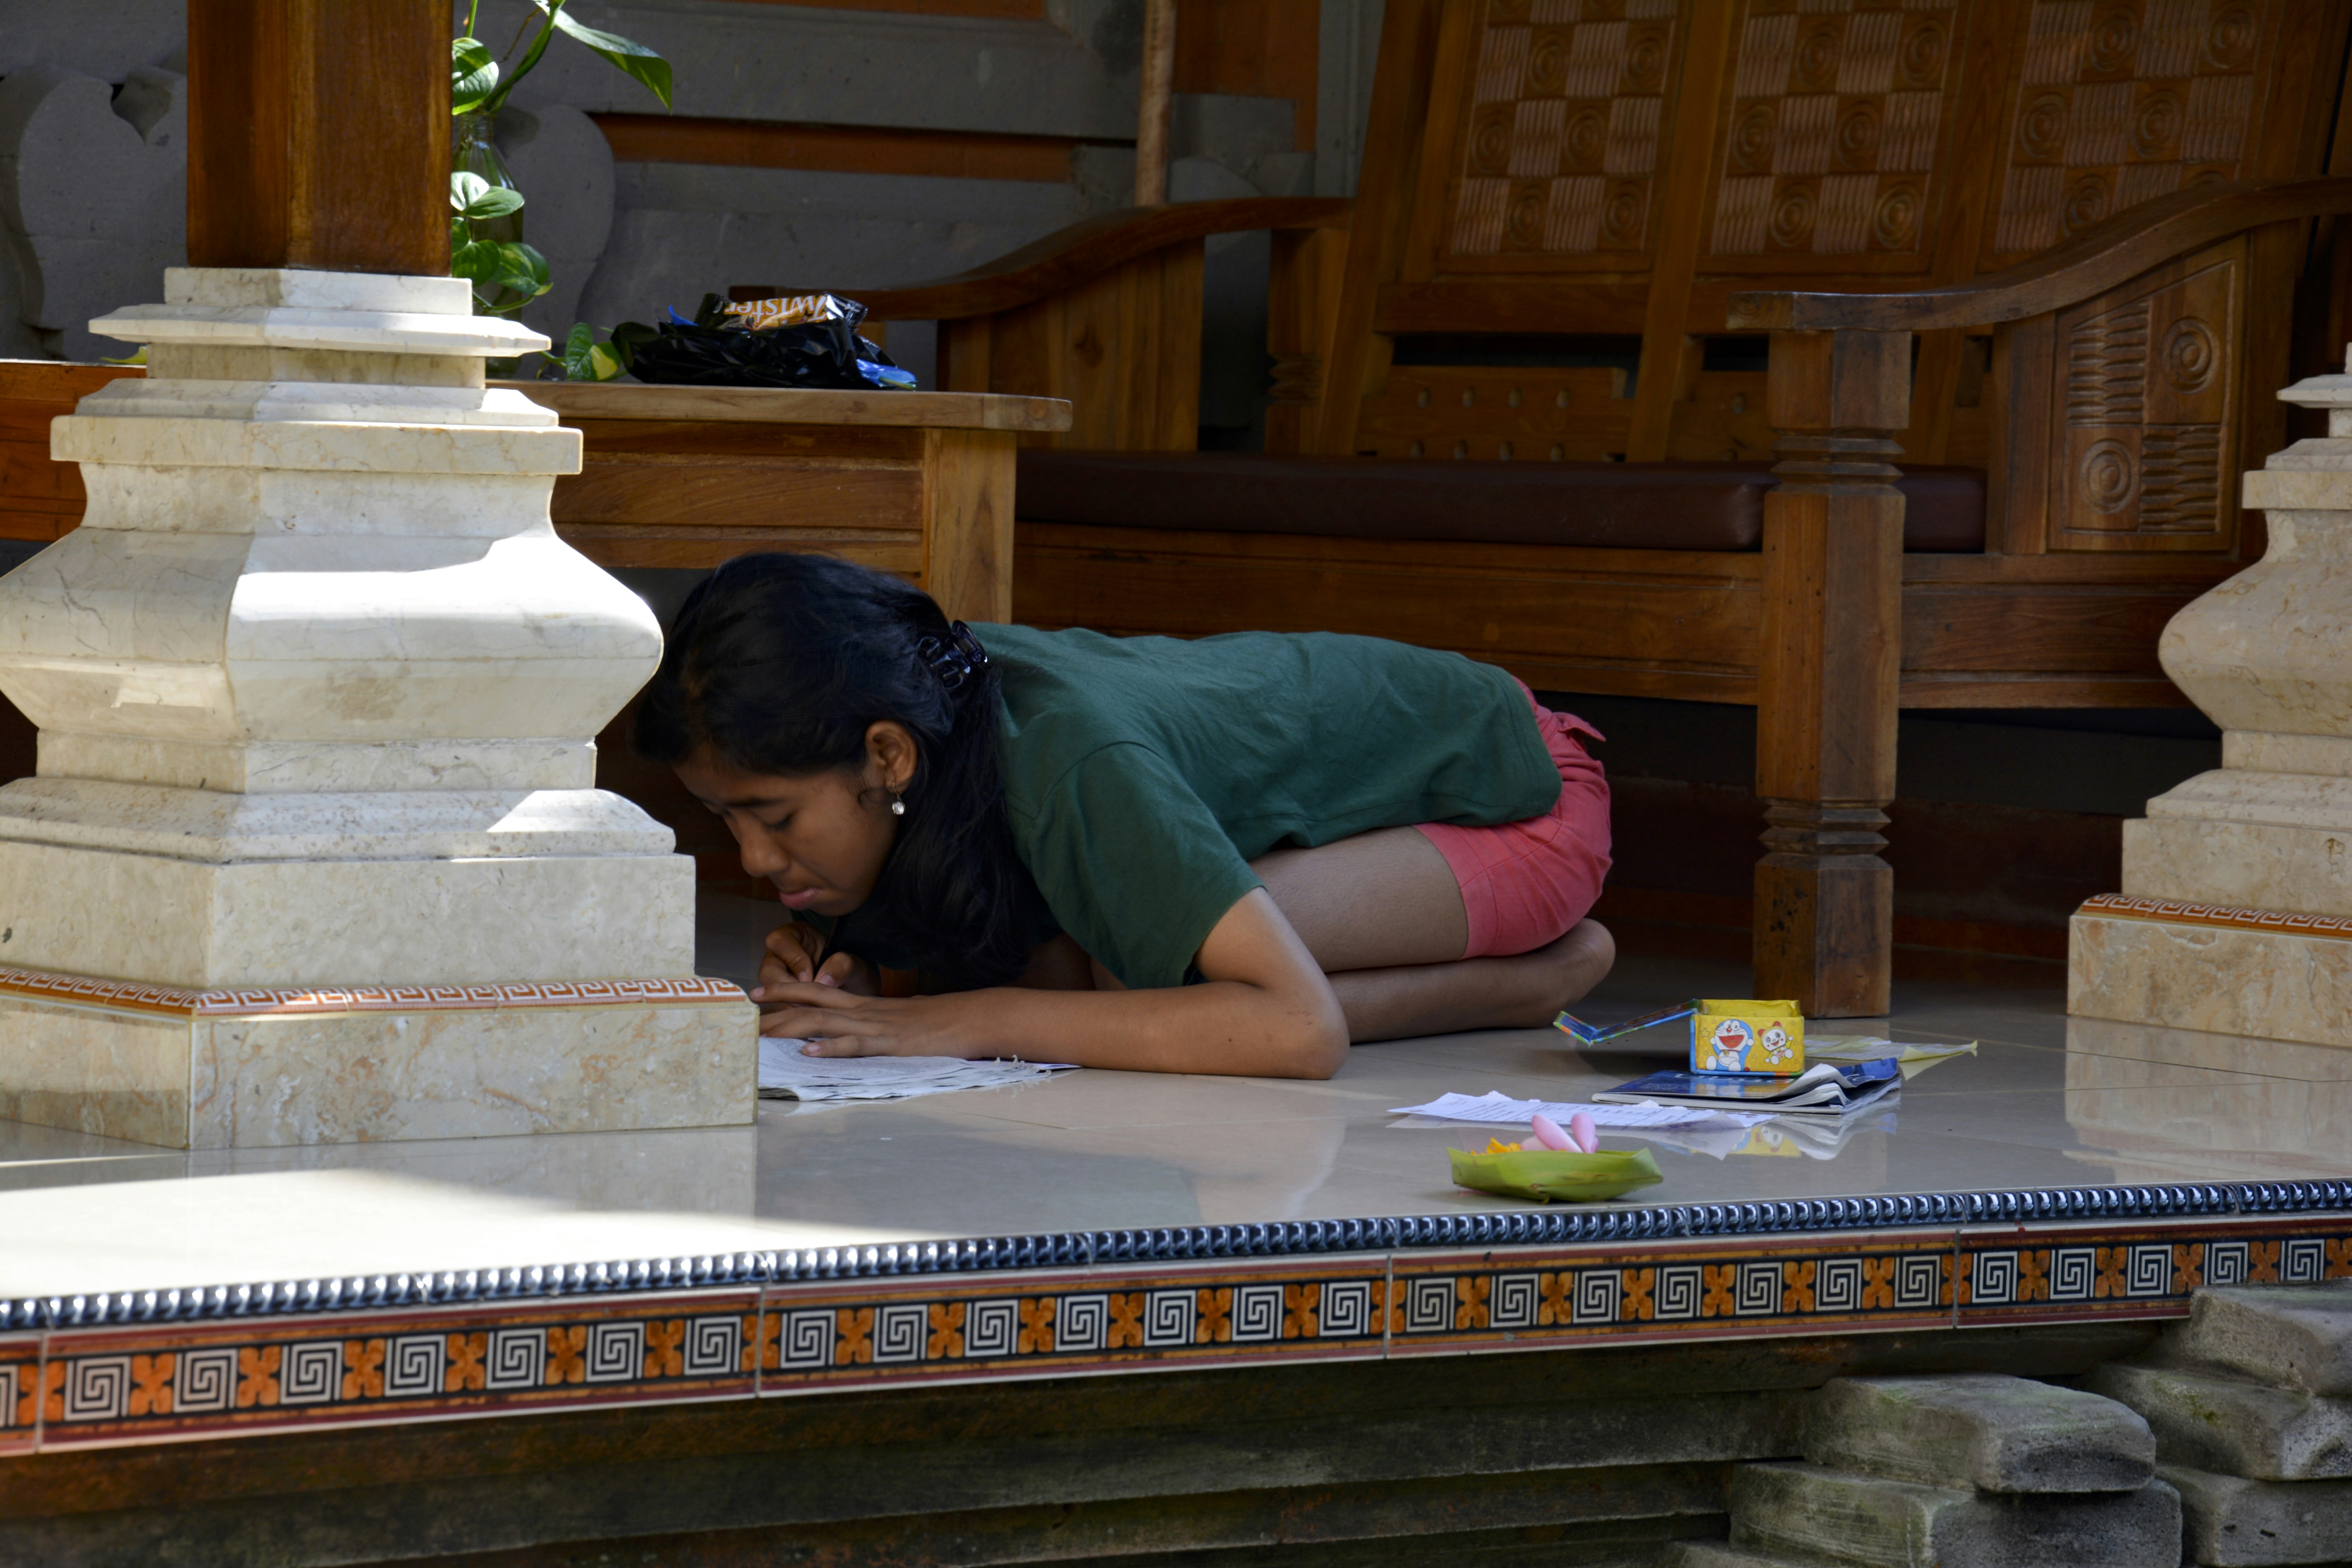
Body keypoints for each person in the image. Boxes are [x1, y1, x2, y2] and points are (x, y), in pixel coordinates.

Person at [636, 553, 1614, 1079]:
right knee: (1103, 966)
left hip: (1519, 801)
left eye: (775, 815)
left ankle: (1536, 977)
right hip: (1371, 818)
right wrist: (860, 963)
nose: (757, 857)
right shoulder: (933, 709)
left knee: (1138, 971)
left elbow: (1299, 1032)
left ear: (887, 754)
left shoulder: (1070, 758)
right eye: (728, 820)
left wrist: (959, 1021)